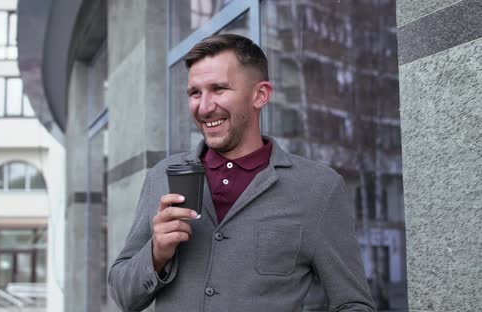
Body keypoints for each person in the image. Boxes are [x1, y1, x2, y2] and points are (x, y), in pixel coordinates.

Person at [108, 34, 375, 312]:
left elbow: (354, 304)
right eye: (195, 93)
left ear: (260, 95)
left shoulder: (318, 188)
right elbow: (123, 294)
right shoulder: (162, 176)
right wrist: (156, 254)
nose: (204, 106)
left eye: (219, 89)